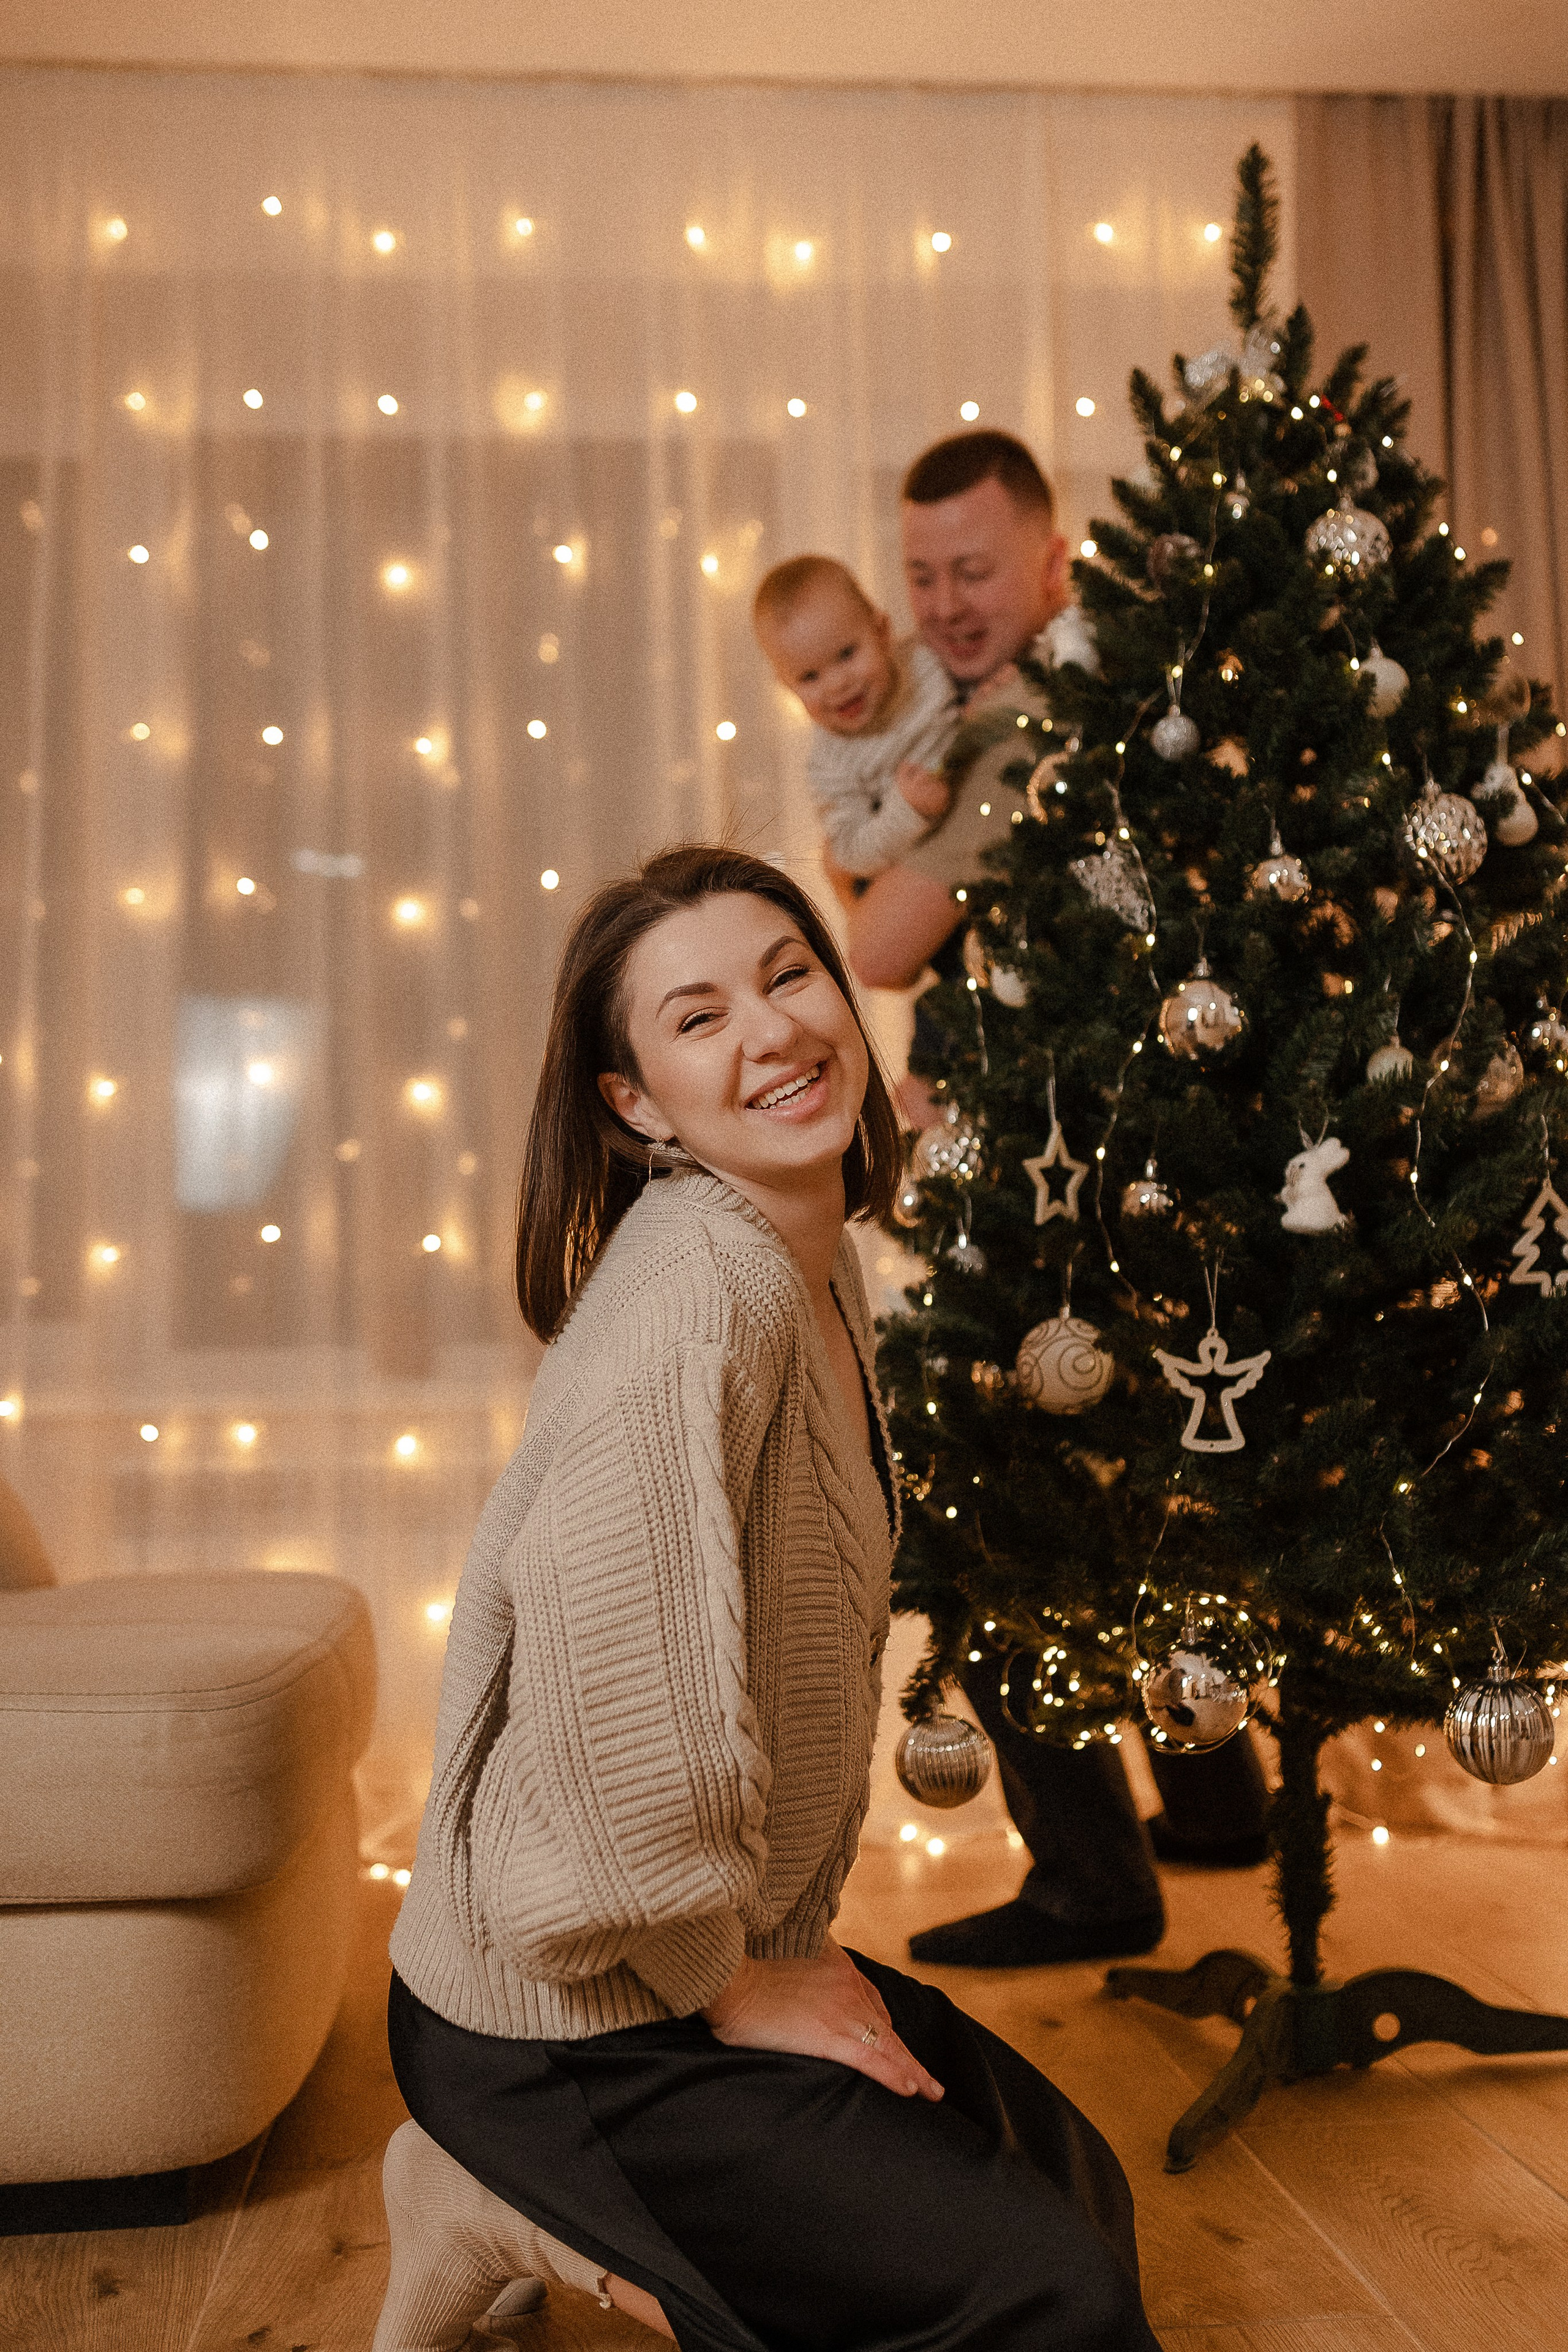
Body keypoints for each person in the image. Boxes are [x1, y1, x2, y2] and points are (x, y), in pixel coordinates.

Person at [387, 845, 1161, 2352]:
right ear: (633, 1104)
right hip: (565, 2016)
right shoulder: (697, 1303)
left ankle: (514, 2199)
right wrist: (729, 1977)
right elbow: (612, 1723)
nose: (772, 1031)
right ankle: (503, 2189)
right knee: (1040, 2300)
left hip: (667, 1955)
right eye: (697, 1017)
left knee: (1067, 2188)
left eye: (787, 972)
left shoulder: (804, 1255)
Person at [846, 432, 1272, 1971]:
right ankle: (1220, 1805)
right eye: (921, 575)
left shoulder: (1025, 724)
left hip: (1043, 1186)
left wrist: (865, 847)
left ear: (1046, 559)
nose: (947, 602)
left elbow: (884, 947)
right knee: (1149, 1479)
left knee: (995, 1496)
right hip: (1128, 1165)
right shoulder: (1072, 700)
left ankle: (1092, 1879)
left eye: (973, 569)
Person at [753, 552, 955, 877]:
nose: (837, 684)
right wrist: (908, 810)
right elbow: (848, 853)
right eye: (809, 677)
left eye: (847, 654)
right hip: (924, 857)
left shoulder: (926, 661)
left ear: (882, 632)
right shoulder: (830, 765)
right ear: (788, 687)